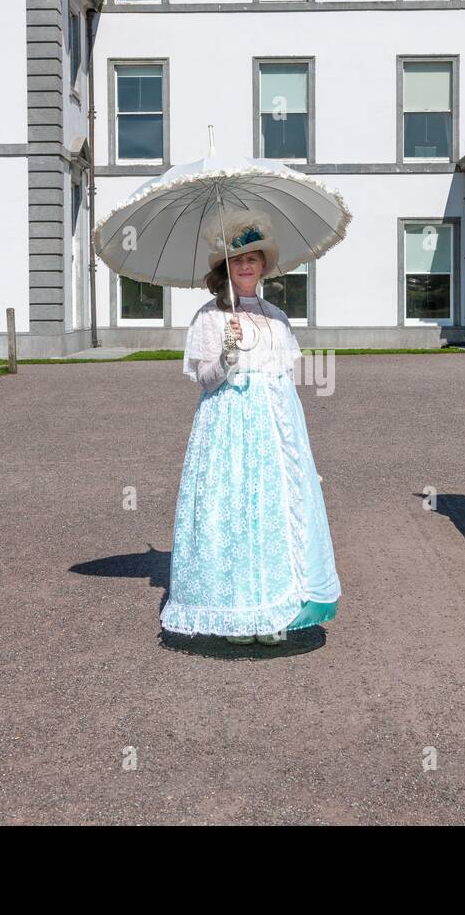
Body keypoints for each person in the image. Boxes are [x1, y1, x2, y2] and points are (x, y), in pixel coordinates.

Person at [162, 209, 341, 645]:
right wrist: (225, 355)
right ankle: (235, 613)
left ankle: (273, 609)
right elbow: (203, 381)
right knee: (231, 512)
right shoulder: (210, 317)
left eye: (253, 259)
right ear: (226, 267)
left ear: (262, 266)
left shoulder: (276, 317)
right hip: (226, 426)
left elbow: (285, 380)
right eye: (238, 259)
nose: (246, 266)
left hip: (273, 430)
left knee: (270, 516)